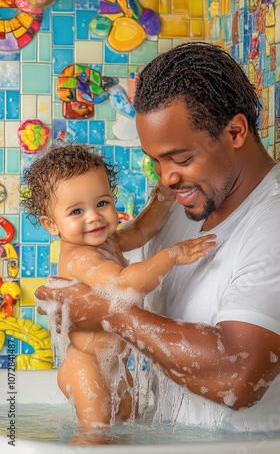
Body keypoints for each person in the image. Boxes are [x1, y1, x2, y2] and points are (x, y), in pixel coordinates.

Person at [35, 42, 280, 433]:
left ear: (235, 132)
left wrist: (108, 312)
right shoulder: (184, 206)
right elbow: (108, 273)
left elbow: (238, 376)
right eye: (157, 162)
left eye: (181, 159)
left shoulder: (272, 223)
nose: (166, 178)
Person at [21, 143, 216, 428]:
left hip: (114, 366)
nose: (93, 216)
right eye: (76, 211)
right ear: (51, 224)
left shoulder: (106, 241)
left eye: (102, 203)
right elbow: (123, 284)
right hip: (86, 366)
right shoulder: (81, 256)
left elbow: (139, 230)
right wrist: (171, 256)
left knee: (127, 423)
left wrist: (161, 198)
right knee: (96, 431)